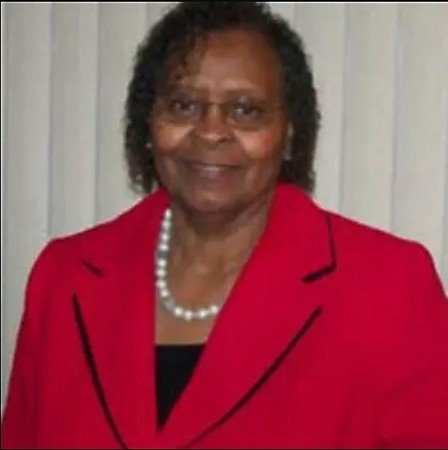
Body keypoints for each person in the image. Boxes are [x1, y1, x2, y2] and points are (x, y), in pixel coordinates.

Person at [2, 2, 448, 449]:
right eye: (184, 105)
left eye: (246, 110)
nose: (211, 131)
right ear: (149, 122)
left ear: (289, 133)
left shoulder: (388, 288)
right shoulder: (64, 278)